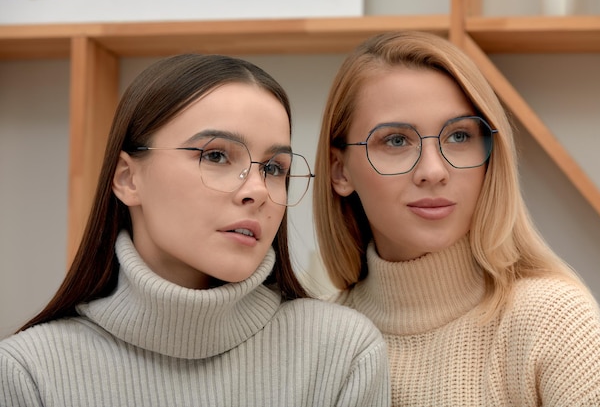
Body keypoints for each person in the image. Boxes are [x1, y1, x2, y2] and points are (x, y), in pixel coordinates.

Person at [0, 53, 390, 407]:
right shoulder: (28, 373)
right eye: (216, 155)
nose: (257, 191)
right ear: (127, 178)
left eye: (273, 169)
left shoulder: (342, 352)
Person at [313, 30, 600, 406]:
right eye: (396, 140)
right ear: (339, 171)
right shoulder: (317, 338)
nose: (433, 171)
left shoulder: (552, 318)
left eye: (459, 136)